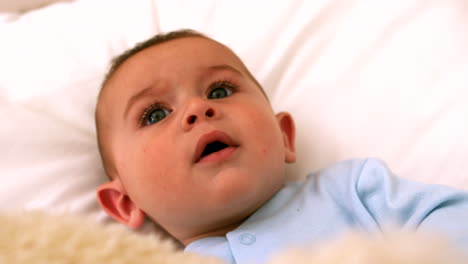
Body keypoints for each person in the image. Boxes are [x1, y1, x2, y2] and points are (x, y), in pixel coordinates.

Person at [95, 29, 468, 264]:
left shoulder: (351, 189)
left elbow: (452, 217)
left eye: (220, 91)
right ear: (125, 203)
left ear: (284, 137)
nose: (197, 108)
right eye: (155, 114)